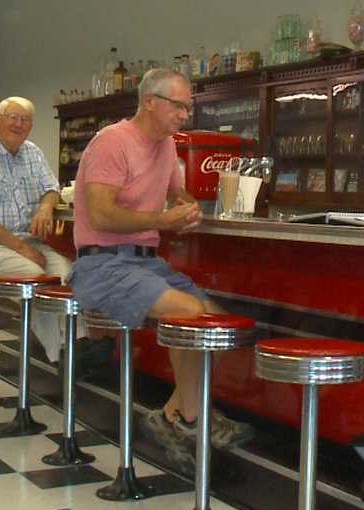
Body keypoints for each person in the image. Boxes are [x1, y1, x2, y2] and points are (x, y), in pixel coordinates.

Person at [67, 67, 252, 472]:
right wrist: (162, 221)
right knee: (188, 312)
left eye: (189, 106)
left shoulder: (166, 146)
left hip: (145, 263)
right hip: (102, 264)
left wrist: (186, 209)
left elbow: (176, 192)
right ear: (150, 101)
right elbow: (100, 214)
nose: (186, 114)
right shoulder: (112, 142)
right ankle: (194, 418)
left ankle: (172, 416)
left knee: (215, 325)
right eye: (180, 105)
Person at [0, 97, 108, 370]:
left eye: (24, 120)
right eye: (12, 117)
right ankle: (65, 353)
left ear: (31, 127)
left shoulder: (31, 152)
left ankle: (77, 346)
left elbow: (51, 188)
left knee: (69, 275)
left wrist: (46, 208)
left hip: (24, 240)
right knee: (38, 279)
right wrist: (22, 248)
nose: (18, 124)